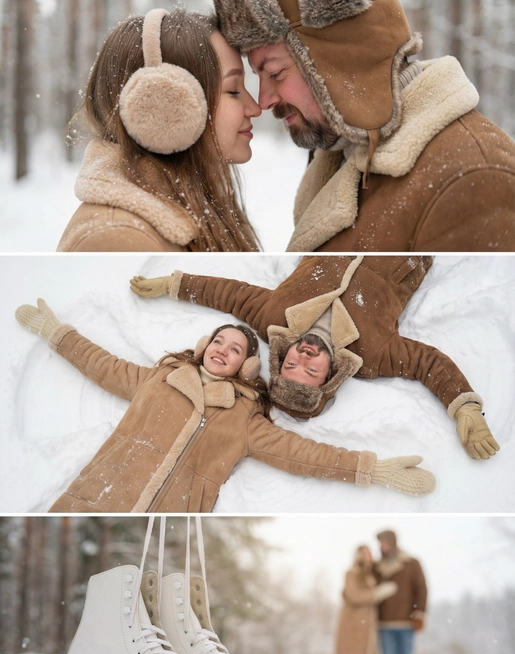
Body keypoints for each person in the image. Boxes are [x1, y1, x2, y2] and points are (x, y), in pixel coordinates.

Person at [14, 299, 436, 512]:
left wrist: (372, 469)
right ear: (203, 347)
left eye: (234, 349)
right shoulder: (159, 378)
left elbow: (301, 453)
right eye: (217, 341)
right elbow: (101, 364)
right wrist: (57, 332)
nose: (221, 349)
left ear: (245, 366)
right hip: (95, 498)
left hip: (172, 518)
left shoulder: (244, 418)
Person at [213, 0, 515, 252]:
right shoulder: (342, 155)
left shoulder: (475, 178)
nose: (263, 100)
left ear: (342, 59)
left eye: (276, 73)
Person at [130, 255, 499, 460]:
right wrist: (465, 408)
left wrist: (173, 284)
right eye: (310, 370)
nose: (304, 356)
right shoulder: (371, 354)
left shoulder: (274, 317)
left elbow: (229, 294)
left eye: (291, 365)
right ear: (328, 379)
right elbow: (428, 364)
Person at [57, 8, 261, 252]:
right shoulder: (116, 238)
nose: (255, 108)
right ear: (165, 106)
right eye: (234, 90)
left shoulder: (202, 203)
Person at [334, 545, 397, 654]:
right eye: (365, 554)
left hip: (368, 622)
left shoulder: (373, 574)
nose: (368, 556)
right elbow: (354, 595)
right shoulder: (351, 573)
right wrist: (376, 593)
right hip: (353, 620)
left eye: (369, 553)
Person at [374, 529, 427, 654]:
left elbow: (421, 589)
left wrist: (419, 613)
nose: (382, 546)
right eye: (380, 543)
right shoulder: (377, 567)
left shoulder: (411, 563)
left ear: (393, 542)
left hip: (406, 622)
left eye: (385, 542)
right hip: (384, 623)